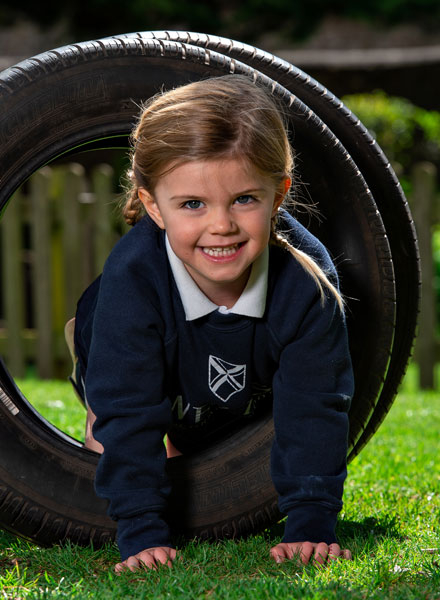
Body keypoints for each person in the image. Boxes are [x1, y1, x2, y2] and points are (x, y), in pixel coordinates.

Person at [66, 74, 354, 572]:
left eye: (244, 199)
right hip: (131, 342)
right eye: (193, 204)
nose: (221, 225)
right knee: (110, 438)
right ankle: (84, 343)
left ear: (278, 195)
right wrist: (142, 531)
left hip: (235, 360)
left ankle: (185, 430)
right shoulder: (132, 281)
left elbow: (315, 408)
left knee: (210, 421)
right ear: (153, 205)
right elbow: (129, 414)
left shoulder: (307, 286)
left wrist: (310, 526)